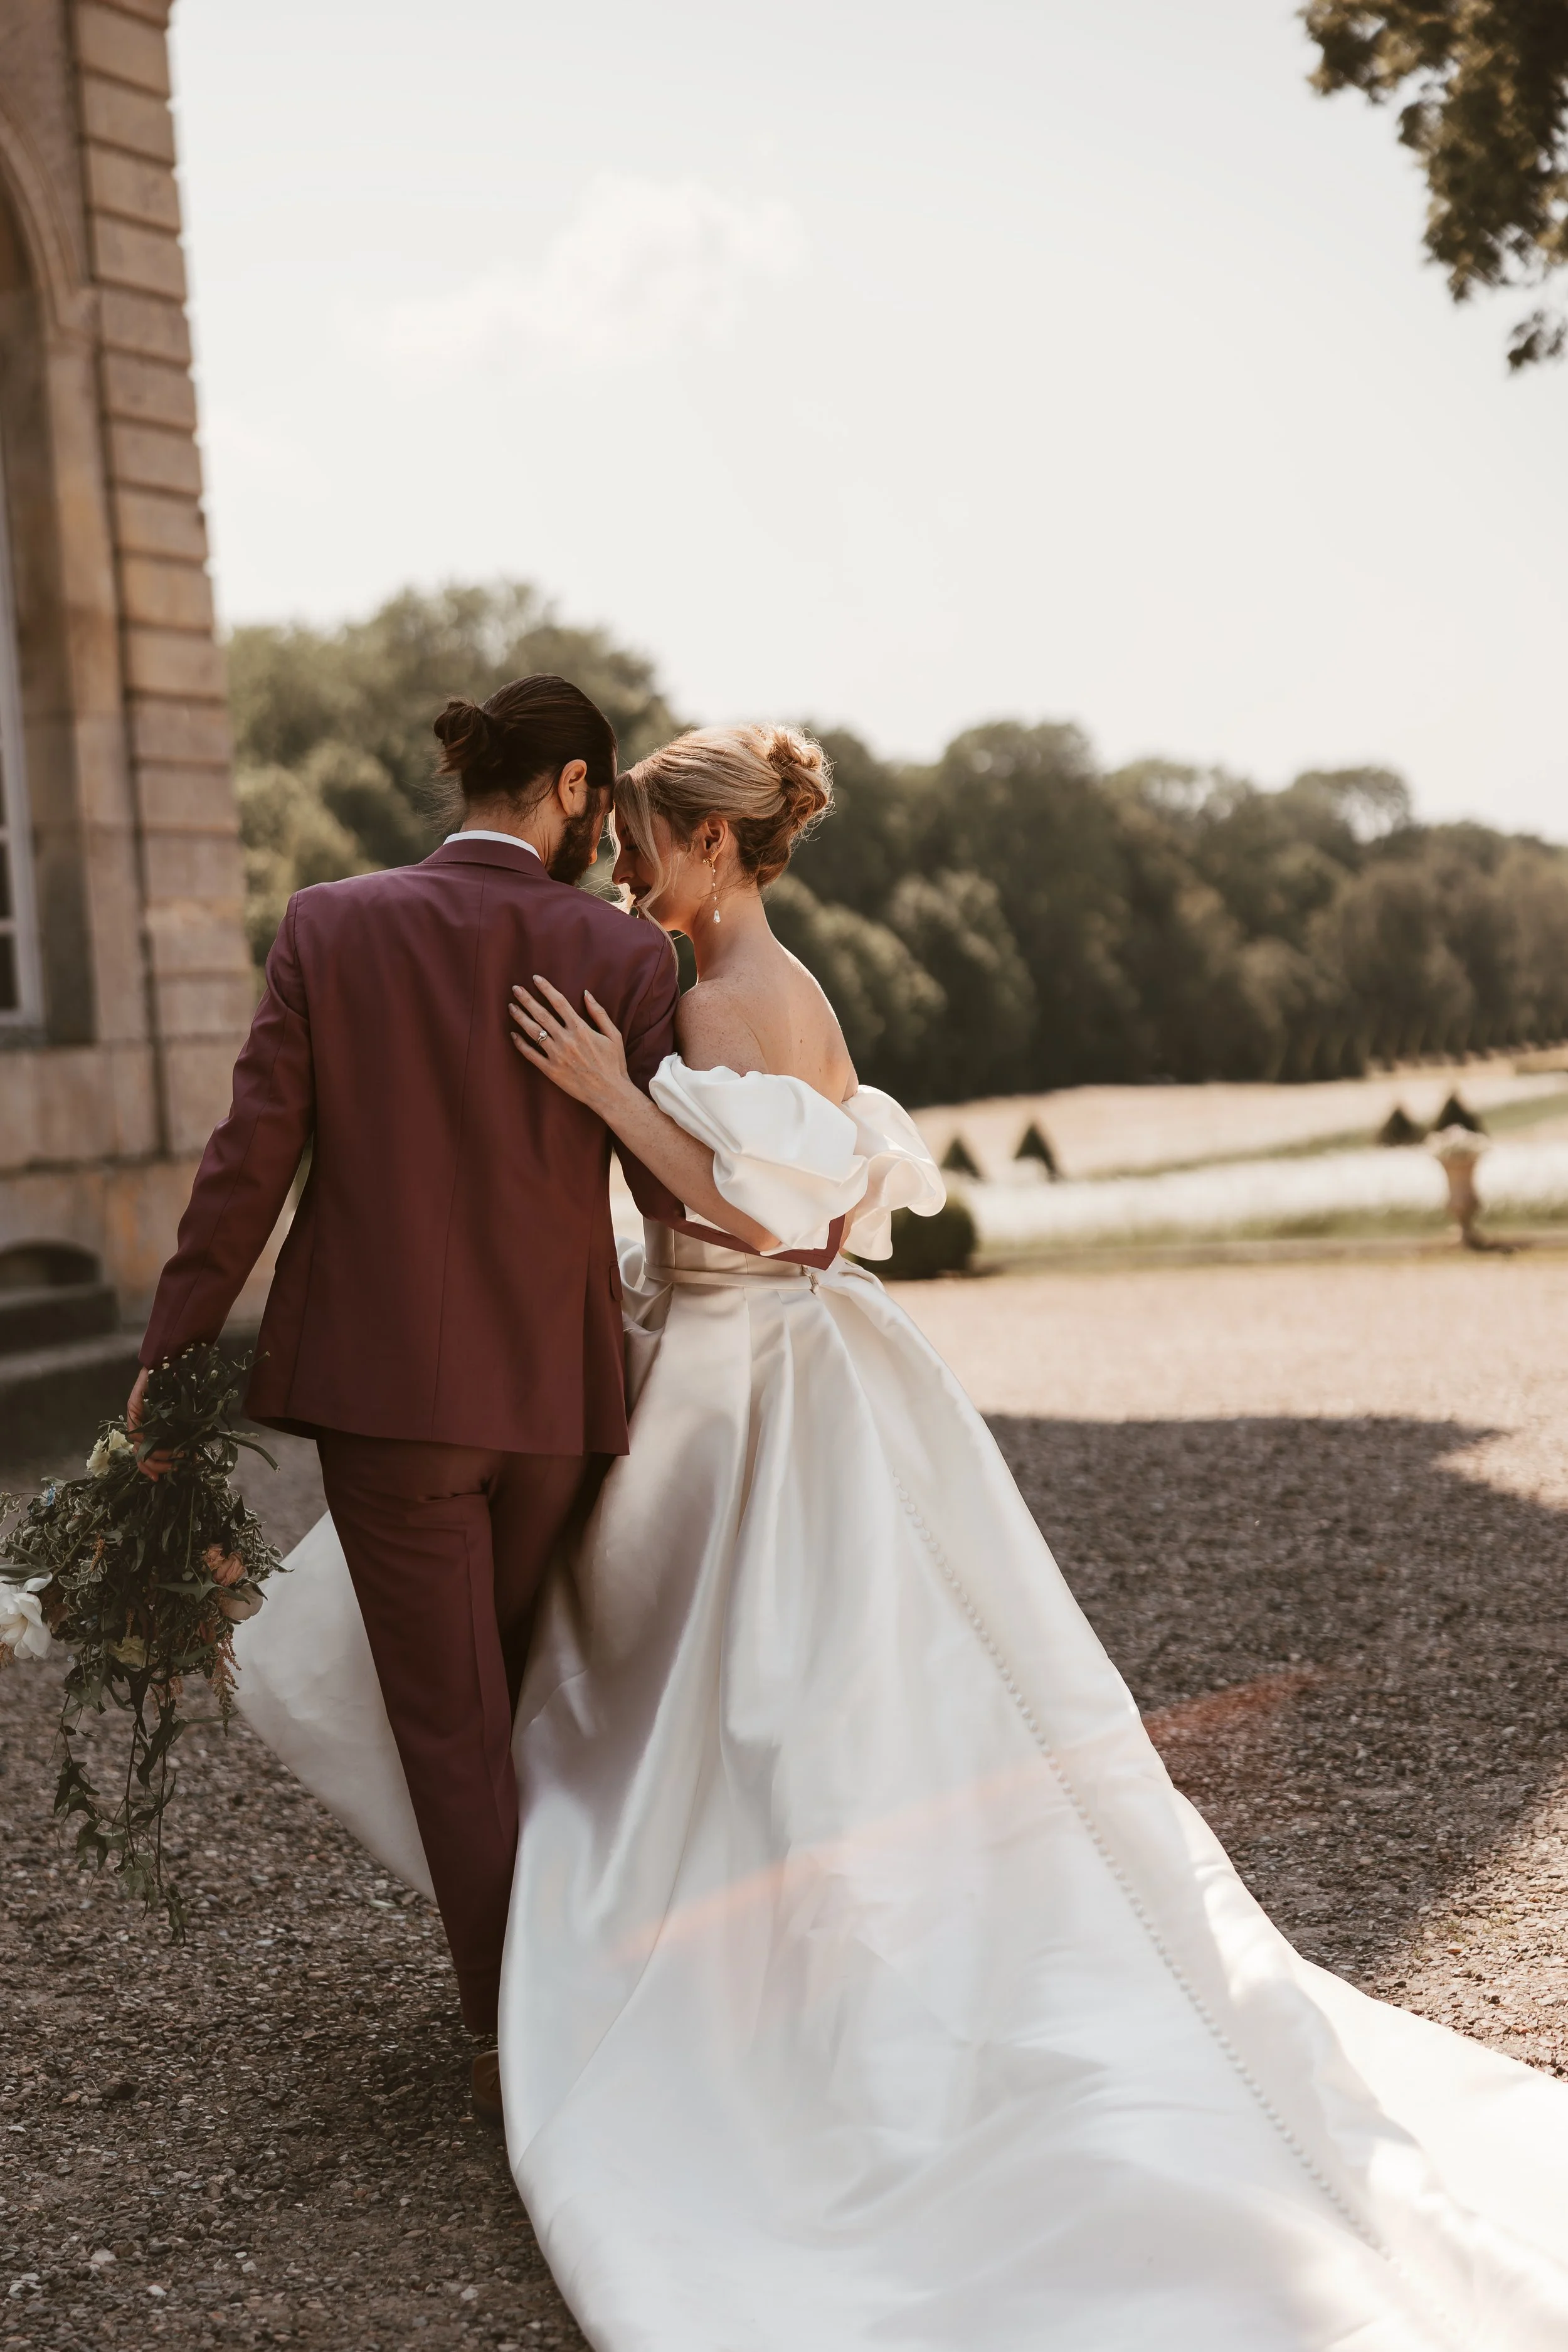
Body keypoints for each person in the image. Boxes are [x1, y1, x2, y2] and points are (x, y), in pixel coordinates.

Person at [234, 724, 1568, 2348]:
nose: (629, 869)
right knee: (763, 1700)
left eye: (651, 840)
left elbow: (776, 1213)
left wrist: (600, 1092)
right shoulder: (771, 979)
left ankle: (753, 2003)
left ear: (720, 848)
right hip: (759, 1368)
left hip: (745, 1383)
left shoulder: (725, 997)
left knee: (738, 1698)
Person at [132, 676, 684, 2092]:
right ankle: (581, 1976)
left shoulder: (331, 924)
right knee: (508, 1701)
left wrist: (172, 1357)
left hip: (388, 1410)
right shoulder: (617, 957)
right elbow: (671, 1200)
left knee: (448, 1721)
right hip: (560, 1403)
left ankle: (519, 2025)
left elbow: (246, 1164)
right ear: (569, 788)